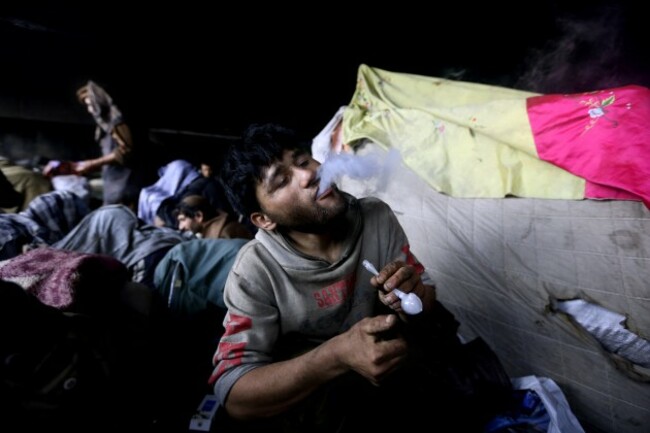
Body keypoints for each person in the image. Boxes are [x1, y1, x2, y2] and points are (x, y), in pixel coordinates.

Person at [209, 123, 513, 432]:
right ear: (264, 219)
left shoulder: (375, 216)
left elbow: (424, 299)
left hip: (384, 365)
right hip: (320, 397)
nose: (308, 175)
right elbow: (233, 394)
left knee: (440, 329)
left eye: (302, 161)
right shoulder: (254, 270)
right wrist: (336, 355)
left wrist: (411, 296)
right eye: (282, 181)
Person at [44, 81, 153, 209]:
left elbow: (126, 150)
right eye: (87, 105)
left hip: (126, 183)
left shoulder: (118, 123)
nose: (90, 110)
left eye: (90, 104)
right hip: (114, 180)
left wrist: (93, 163)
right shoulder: (105, 125)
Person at [175, 194, 253, 240]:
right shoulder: (212, 235)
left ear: (199, 216)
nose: (180, 227)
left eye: (183, 220)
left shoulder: (227, 234)